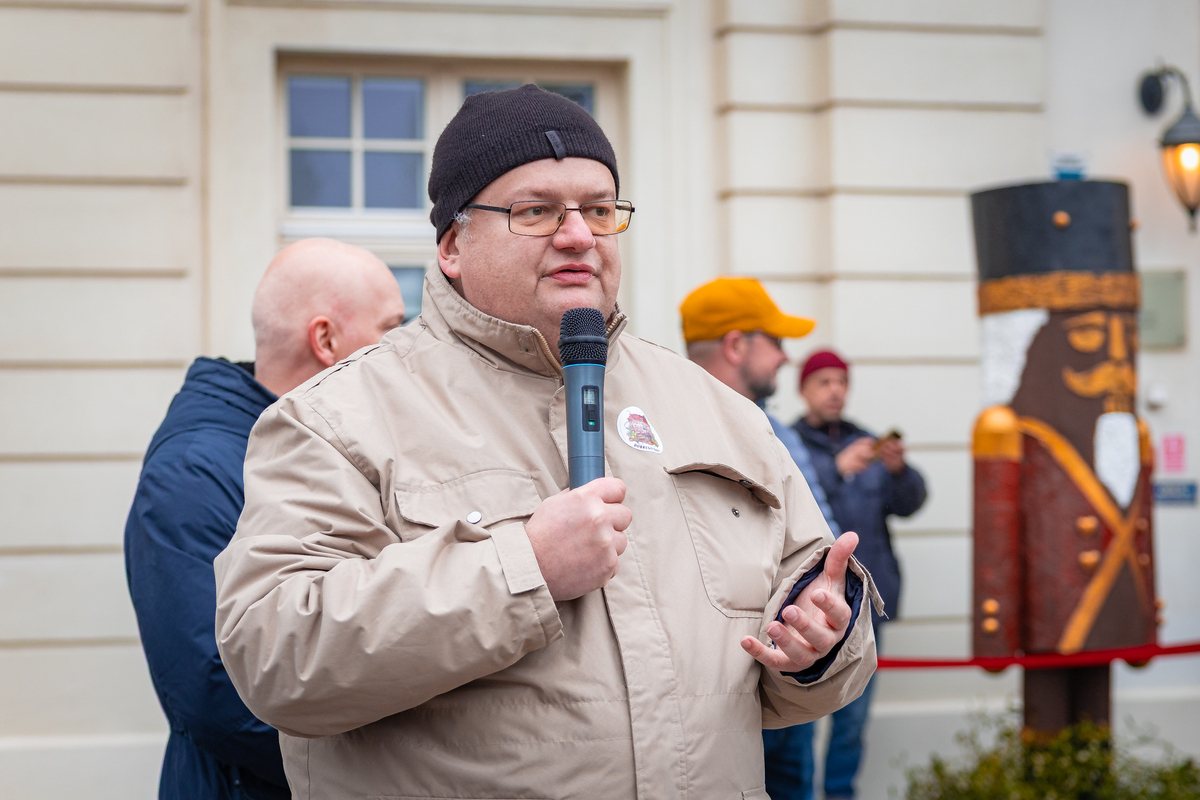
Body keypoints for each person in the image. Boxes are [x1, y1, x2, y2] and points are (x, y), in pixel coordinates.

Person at [213, 84, 881, 799]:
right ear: (452, 246)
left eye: (599, 210)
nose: (578, 236)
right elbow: (274, 657)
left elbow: (795, 648)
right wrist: (521, 567)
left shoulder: (719, 412)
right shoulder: (336, 417)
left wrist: (819, 646)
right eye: (535, 211)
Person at [124, 238, 406, 800]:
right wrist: (402, 765)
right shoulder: (194, 473)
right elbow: (217, 692)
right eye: (391, 331)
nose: (403, 353)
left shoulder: (332, 447)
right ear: (326, 341)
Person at [679, 276, 851, 800]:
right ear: (736, 345)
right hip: (719, 688)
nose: (783, 357)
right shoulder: (669, 433)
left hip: (784, 667)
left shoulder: (774, 432)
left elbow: (816, 546)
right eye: (774, 342)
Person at [791, 348, 928, 800]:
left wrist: (899, 471)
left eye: (841, 382)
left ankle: (839, 794)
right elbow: (790, 503)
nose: (835, 391)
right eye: (824, 382)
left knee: (853, 718)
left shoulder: (868, 441)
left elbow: (910, 504)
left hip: (865, 602)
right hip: (805, 602)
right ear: (804, 390)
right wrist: (835, 470)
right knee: (798, 719)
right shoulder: (788, 443)